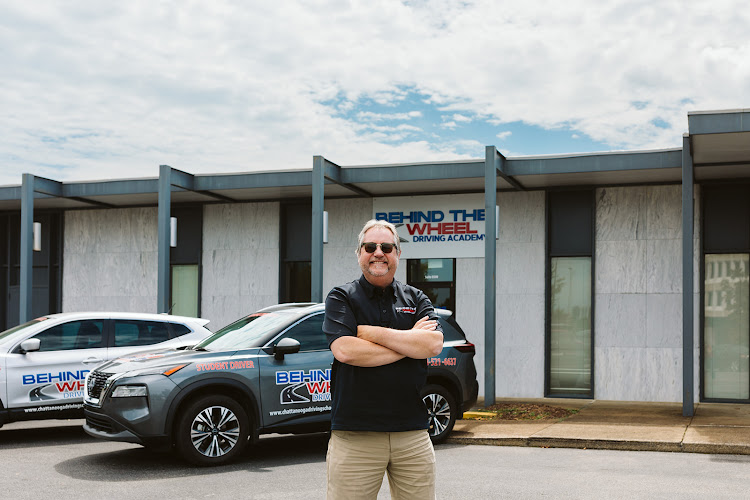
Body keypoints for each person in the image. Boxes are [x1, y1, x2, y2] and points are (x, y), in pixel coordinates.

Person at [323, 219, 444, 500]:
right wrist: (409, 342)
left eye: (387, 247)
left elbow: (433, 344)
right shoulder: (342, 297)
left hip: (412, 434)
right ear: (359, 253)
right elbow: (346, 351)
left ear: (397, 254)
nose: (379, 252)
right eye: (370, 246)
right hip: (355, 435)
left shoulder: (416, 298)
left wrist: (370, 333)